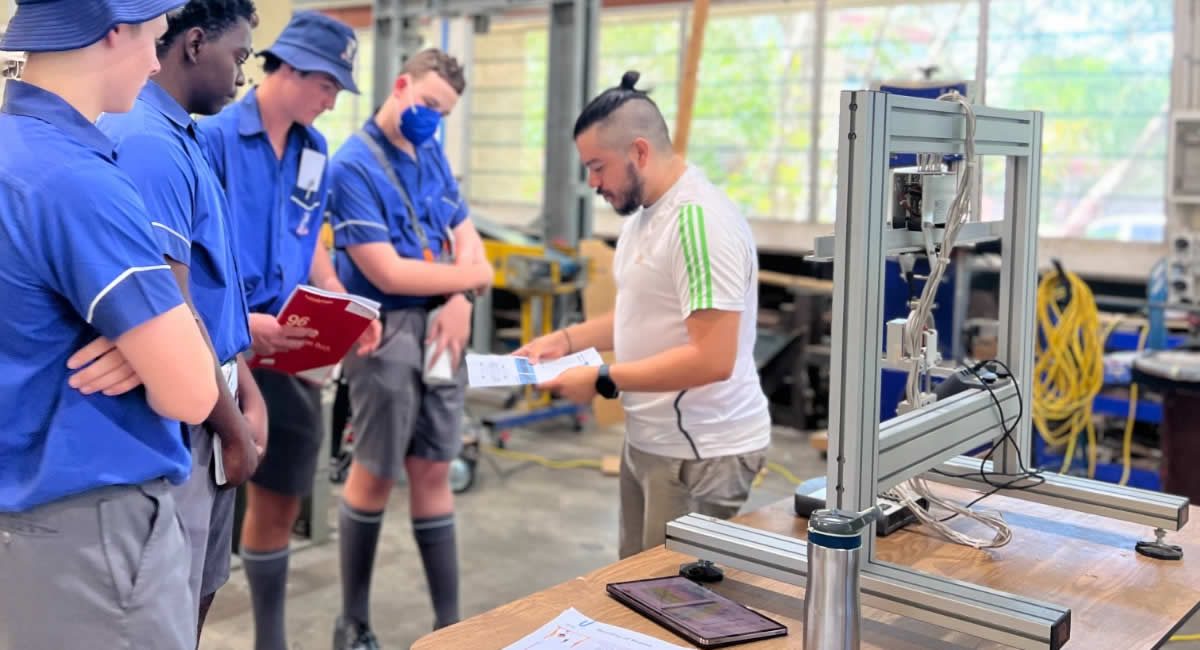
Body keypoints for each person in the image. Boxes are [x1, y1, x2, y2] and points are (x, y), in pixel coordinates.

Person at [0, 2, 220, 649]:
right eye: (153, 40)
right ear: (113, 31)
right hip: (89, 538)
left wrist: (142, 342)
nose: (157, 62)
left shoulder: (12, 151)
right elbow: (190, 391)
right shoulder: (77, 181)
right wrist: (158, 341)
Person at [518, 71, 771, 559]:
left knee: (673, 607)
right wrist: (566, 341)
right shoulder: (646, 217)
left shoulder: (699, 223)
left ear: (638, 152)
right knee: (632, 586)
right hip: (652, 441)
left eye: (597, 167)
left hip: (699, 452)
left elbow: (712, 358)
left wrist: (601, 378)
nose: (592, 183)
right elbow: (641, 313)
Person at [197, 11, 379, 650]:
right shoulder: (214, 138)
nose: (332, 103)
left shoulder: (314, 151)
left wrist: (343, 302)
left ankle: (269, 640)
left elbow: (312, 241)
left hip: (292, 345)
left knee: (282, 496)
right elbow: (188, 258)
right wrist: (238, 326)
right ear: (294, 70)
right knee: (213, 506)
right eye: (328, 87)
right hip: (226, 345)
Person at [93, 0, 266, 639]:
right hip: (181, 422)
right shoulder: (148, 144)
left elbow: (212, 297)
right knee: (168, 611)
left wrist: (245, 388)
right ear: (194, 44)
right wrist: (232, 425)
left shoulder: (180, 137)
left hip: (211, 403)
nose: (242, 77)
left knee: (198, 590)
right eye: (239, 57)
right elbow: (171, 307)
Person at [327, 48, 493, 649]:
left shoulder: (431, 156)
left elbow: (470, 243)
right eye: (426, 104)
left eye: (442, 111)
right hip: (387, 331)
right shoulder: (352, 166)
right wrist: (470, 281)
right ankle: (353, 623)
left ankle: (450, 626)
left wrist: (462, 301)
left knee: (433, 468)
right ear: (400, 86)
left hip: (444, 330)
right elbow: (389, 272)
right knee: (374, 473)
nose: (432, 118)